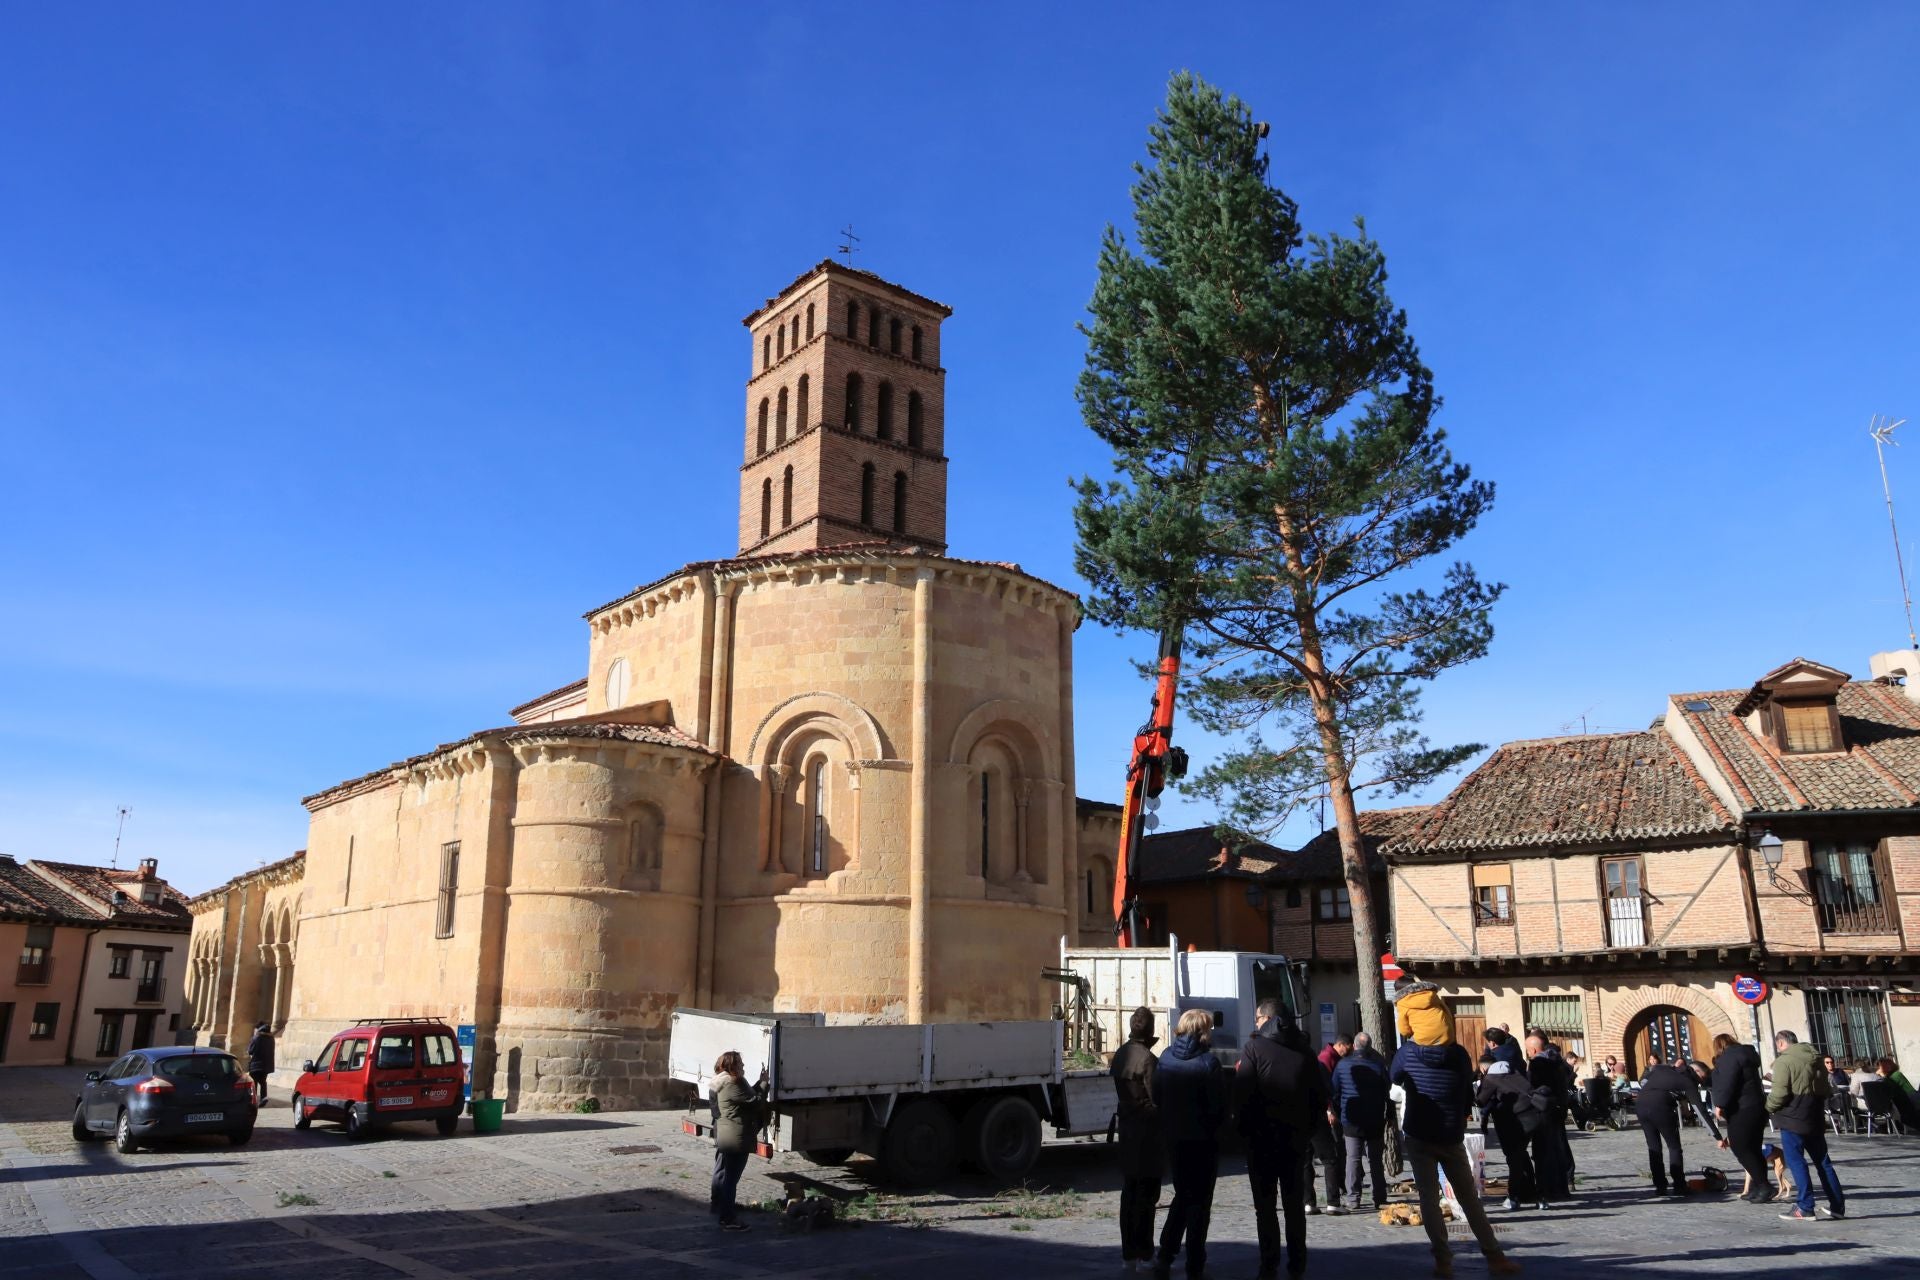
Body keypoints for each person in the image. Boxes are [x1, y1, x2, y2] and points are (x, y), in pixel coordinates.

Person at [1390, 1014, 1521, 1279]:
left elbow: (1395, 1076)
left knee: (1428, 1198)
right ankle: (1494, 1256)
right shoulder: (1459, 1054)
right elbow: (1465, 1088)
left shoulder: (1407, 1052)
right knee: (1469, 1198)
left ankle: (1443, 1260)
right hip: (1450, 1132)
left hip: (1419, 1132)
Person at [1235, 1000, 1323, 1278]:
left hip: (1261, 1140)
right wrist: (1307, 1131)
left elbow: (1243, 1094)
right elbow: (1318, 1098)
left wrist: (1244, 1131)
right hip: (1295, 1141)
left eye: (1258, 1018)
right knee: (1294, 1206)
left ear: (1268, 1018)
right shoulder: (1306, 1052)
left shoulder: (1254, 1048)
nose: (1256, 1024)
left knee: (1265, 1208)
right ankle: (1298, 1263)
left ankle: (1268, 1263)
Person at [1153, 1008, 1228, 1280]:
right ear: (1203, 1031)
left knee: (1183, 1195)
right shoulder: (1209, 1064)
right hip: (1202, 1141)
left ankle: (1166, 1253)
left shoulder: (1165, 1058)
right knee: (1200, 1202)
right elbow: (1218, 1106)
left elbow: (1157, 1095)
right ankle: (1194, 1261)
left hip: (1175, 1138)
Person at [1766, 1030, 1846, 1221]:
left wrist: (1768, 1107)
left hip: (1792, 1117)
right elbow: (1826, 1089)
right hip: (1815, 1115)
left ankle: (1804, 1206)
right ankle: (1837, 1206)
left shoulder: (1784, 1062)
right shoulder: (1817, 1058)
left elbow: (1779, 1093)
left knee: (1796, 1162)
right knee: (1823, 1162)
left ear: (1781, 1044)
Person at [1111, 1007, 1164, 1273]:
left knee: (1129, 1195)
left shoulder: (1120, 1054)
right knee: (1146, 1197)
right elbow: (1157, 1100)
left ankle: (1128, 1253)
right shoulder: (1148, 1060)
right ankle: (1145, 1252)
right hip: (1148, 1134)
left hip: (1127, 1131)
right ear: (1151, 1031)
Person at [1636, 1058, 1719, 1197]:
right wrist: (1717, 1135)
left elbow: (1643, 1081)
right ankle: (1679, 1185)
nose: (1700, 1082)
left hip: (1640, 1105)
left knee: (1654, 1148)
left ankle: (1660, 1186)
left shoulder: (1663, 1070)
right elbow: (1700, 1110)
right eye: (1702, 1078)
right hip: (1661, 1107)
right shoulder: (1687, 1082)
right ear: (1696, 1071)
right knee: (1674, 1147)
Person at [1710, 1033, 1772, 1203]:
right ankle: (1759, 1187)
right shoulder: (1748, 1055)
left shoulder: (1728, 1059)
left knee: (1740, 1148)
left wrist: (1720, 1104)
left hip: (1741, 1108)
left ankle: (1764, 1185)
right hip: (1757, 1105)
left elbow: (1727, 1083)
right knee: (1753, 1148)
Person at [1331, 1031, 1390, 1213]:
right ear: (1370, 1047)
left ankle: (1353, 1198)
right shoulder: (1378, 1065)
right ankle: (1379, 1197)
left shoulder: (1342, 1065)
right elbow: (1387, 1090)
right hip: (1374, 1117)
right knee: (1375, 1160)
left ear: (1354, 1045)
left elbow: (1335, 1090)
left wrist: (1339, 1111)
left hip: (1351, 1119)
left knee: (1353, 1159)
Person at [1473, 1056, 1542, 1210]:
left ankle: (1514, 1196)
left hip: (1513, 1122)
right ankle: (1533, 1193)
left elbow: (1480, 1101)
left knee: (1514, 1158)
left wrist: (1480, 1085)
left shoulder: (1490, 1078)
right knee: (1521, 1155)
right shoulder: (1514, 1072)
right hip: (1533, 1116)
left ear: (1484, 1068)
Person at [709, 1050, 765, 1231]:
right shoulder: (735, 1082)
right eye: (740, 1063)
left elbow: (746, 1096)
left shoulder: (720, 1082)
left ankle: (722, 1207)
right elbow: (755, 1102)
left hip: (726, 1135)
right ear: (732, 1065)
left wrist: (758, 1083)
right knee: (731, 1179)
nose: (743, 1066)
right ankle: (728, 1218)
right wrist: (764, 1083)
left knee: (725, 1175)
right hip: (736, 1138)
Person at [1523, 1032, 1573, 1202]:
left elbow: (1532, 1085)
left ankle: (1547, 1189)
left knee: (1543, 1151)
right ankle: (1561, 1188)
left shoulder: (1538, 1063)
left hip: (1543, 1109)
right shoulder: (1558, 1060)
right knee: (1558, 1149)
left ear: (1535, 1049)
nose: (1528, 1053)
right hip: (1558, 1108)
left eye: (1528, 1050)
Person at [1395, 977, 1455, 1048]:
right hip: (1446, 1036)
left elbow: (1404, 1030)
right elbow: (1447, 1013)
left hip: (1423, 1040)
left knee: (1404, 1051)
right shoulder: (1431, 994)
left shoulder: (1402, 1003)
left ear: (1398, 991)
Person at [245, 1021, 274, 1106]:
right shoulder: (271, 1038)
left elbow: (250, 1050)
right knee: (263, 1081)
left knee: (253, 1083)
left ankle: (253, 1099)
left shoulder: (257, 1037)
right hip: (266, 1065)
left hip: (256, 1064)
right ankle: (263, 1097)